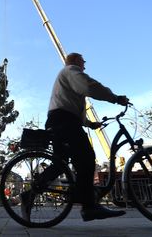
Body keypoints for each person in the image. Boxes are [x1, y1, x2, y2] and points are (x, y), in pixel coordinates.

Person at [20, 52, 129, 222]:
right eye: (83, 61)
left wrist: (89, 124)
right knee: (86, 157)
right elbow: (89, 86)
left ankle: (29, 194)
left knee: (60, 163)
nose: (84, 65)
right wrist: (115, 98)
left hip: (60, 120)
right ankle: (89, 206)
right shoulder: (71, 70)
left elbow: (70, 105)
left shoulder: (65, 77)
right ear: (76, 61)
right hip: (65, 122)